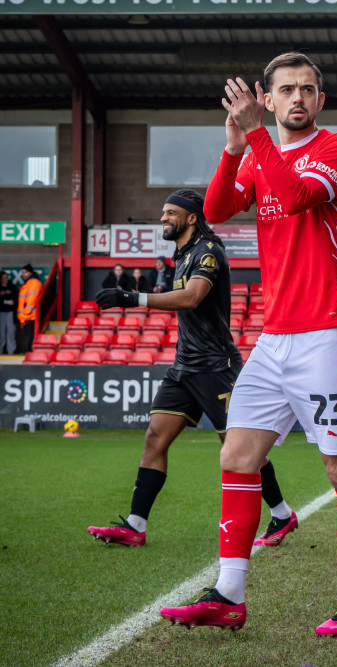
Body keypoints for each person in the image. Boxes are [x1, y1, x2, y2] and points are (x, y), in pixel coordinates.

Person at [158, 52, 337, 636]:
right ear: (270, 95)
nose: (298, 98)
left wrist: (257, 134)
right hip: (275, 336)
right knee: (236, 456)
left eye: (308, 89)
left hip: (328, 333)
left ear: (321, 100)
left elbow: (299, 196)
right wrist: (234, 148)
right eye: (287, 90)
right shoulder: (259, 154)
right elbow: (213, 210)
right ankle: (229, 593)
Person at [87, 190, 296, 552]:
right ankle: (136, 525)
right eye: (163, 213)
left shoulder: (209, 252)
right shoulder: (181, 253)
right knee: (155, 438)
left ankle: (282, 513)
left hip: (218, 369)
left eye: (171, 213)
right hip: (184, 368)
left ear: (192, 218)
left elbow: (193, 297)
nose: (164, 218)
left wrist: (131, 298)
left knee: (243, 453)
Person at [17, 264, 42, 353]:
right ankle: (28, 351)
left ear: (30, 272)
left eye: (25, 272)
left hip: (30, 315)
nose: (24, 274)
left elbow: (32, 298)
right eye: (22, 272)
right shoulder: (29, 283)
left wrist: (26, 312)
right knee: (28, 335)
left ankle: (29, 352)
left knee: (30, 335)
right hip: (26, 316)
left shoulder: (33, 283)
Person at [0, 271, 16, 354]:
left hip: (10, 312)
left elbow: (15, 297)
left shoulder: (11, 287)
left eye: (7, 278)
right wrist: (5, 302)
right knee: (1, 332)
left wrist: (12, 302)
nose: (6, 279)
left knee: (11, 331)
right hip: (1, 312)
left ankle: (11, 350)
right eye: (4, 278)